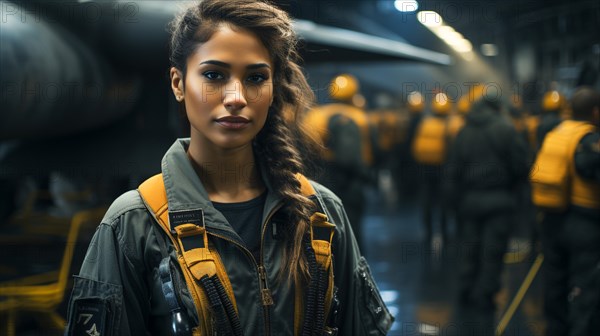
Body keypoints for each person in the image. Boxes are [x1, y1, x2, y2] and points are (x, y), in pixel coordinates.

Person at [63, 1, 393, 335]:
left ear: (273, 87)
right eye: (214, 75)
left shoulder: (321, 215)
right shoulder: (134, 224)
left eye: (255, 77)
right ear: (178, 83)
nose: (236, 96)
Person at [446, 94, 530, 313]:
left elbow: (453, 169)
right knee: (492, 249)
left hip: (470, 199)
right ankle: (485, 295)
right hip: (499, 200)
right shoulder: (507, 129)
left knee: (469, 247)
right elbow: (521, 165)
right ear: (498, 108)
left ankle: (465, 289)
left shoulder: (464, 130)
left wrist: (453, 201)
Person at [531, 86, 600, 336]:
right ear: (595, 112)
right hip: (584, 226)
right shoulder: (590, 140)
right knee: (584, 289)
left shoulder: (556, 133)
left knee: (555, 284)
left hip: (551, 221)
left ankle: (555, 330)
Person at [302, 74, 373, 251]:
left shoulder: (315, 115)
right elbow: (350, 158)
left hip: (317, 182)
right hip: (349, 184)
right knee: (351, 234)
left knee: (322, 232)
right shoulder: (356, 116)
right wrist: (367, 176)